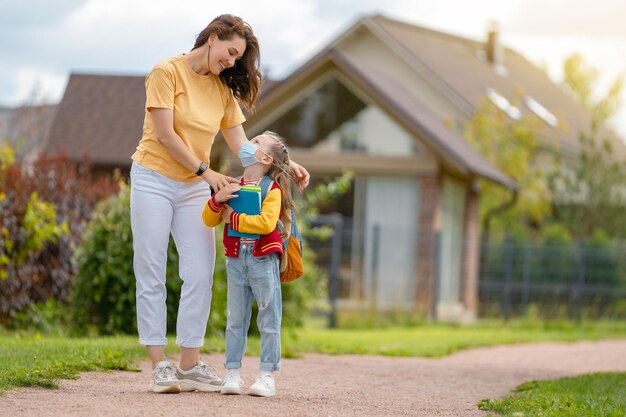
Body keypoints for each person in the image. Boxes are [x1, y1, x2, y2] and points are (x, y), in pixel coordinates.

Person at [129, 15, 309, 394]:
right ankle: (160, 364)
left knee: (199, 272)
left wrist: (284, 164)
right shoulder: (166, 72)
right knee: (152, 269)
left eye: (237, 59)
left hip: (194, 185)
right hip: (153, 178)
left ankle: (190, 364)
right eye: (229, 53)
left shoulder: (222, 92)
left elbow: (242, 144)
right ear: (212, 38)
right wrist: (204, 170)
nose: (231, 63)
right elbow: (163, 134)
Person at [202, 131, 295, 397]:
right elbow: (208, 220)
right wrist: (217, 201)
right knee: (235, 319)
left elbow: (266, 223)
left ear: (266, 158)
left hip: (262, 259)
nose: (246, 144)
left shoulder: (272, 190)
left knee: (269, 316)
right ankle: (232, 372)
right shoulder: (231, 184)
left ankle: (266, 375)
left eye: (255, 142)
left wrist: (233, 219)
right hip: (235, 261)